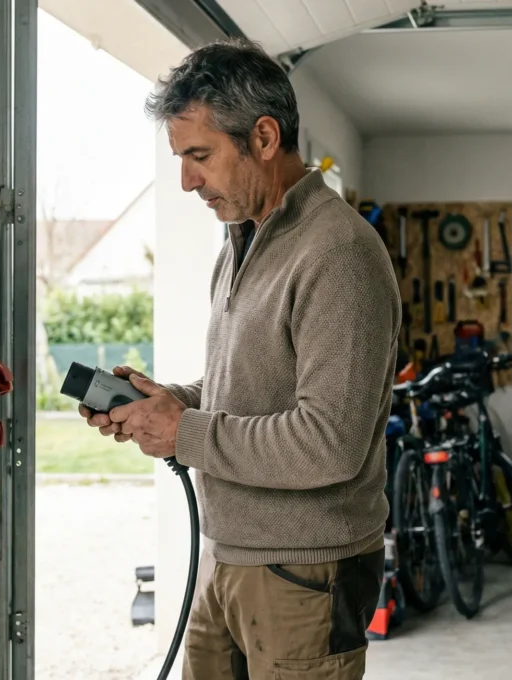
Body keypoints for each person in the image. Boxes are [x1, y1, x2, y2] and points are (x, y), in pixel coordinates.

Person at [78, 38, 401, 680]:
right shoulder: (242, 240)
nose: (185, 180)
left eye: (199, 156)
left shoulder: (338, 253)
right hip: (231, 558)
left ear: (262, 137)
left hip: (305, 572)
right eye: (180, 158)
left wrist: (184, 431)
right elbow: (251, 388)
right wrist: (167, 402)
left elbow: (329, 441)